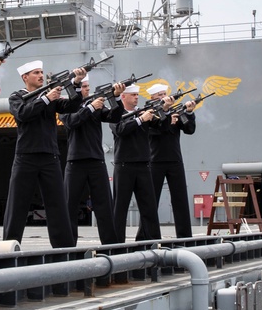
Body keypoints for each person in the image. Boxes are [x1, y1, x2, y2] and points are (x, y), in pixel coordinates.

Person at [3, 60, 85, 247]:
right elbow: (23, 113)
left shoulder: (49, 96)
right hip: (26, 156)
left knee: (57, 204)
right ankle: (9, 246)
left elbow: (72, 106)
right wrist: (46, 99)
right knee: (17, 204)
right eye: (36, 73)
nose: (41, 75)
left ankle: (64, 248)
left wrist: (77, 84)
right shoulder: (17, 96)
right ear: (25, 77)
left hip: (49, 156)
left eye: (42, 72)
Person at [62, 76, 121, 245]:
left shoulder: (96, 107)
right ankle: (68, 245)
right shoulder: (67, 107)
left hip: (96, 160)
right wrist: (89, 108)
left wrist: (115, 97)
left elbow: (114, 116)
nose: (87, 89)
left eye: (88, 86)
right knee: (69, 205)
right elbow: (71, 122)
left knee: (104, 205)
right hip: (75, 161)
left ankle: (110, 245)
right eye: (84, 86)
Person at [145, 83, 198, 239]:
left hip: (174, 159)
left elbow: (189, 130)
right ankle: (148, 236)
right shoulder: (149, 112)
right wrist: (167, 115)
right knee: (151, 201)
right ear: (153, 98)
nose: (164, 97)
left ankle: (185, 236)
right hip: (155, 160)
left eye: (164, 94)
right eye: (160, 95)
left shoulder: (174, 111)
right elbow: (155, 130)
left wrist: (189, 113)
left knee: (180, 199)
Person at [111, 84, 161, 242]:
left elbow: (161, 127)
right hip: (124, 165)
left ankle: (152, 241)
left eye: (137, 95)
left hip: (143, 164)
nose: (136, 97)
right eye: (132, 95)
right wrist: (140, 120)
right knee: (120, 208)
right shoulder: (116, 113)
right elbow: (120, 130)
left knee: (149, 207)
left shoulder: (143, 113)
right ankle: (116, 243)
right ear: (123, 96)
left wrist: (163, 110)